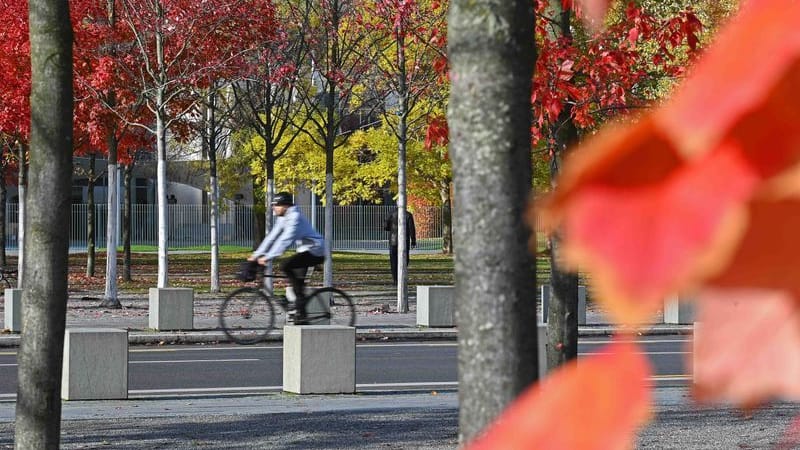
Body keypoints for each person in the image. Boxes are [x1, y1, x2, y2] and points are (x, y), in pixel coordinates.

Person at [248, 192, 325, 324]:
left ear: (285, 206)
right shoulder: (283, 217)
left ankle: (300, 304)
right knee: (297, 284)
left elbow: (285, 241)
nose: (274, 208)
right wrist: (256, 255)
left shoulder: (294, 217)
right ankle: (302, 316)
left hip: (316, 250)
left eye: (276, 205)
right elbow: (271, 237)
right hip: (305, 250)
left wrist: (267, 257)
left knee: (285, 266)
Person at [384, 208, 416, 284]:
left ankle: (395, 279)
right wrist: (413, 240)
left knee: (393, 260)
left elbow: (385, 226)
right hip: (404, 240)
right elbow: (412, 229)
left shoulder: (391, 213)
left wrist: (391, 228)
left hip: (393, 240)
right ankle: (401, 277)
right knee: (405, 259)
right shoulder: (408, 215)